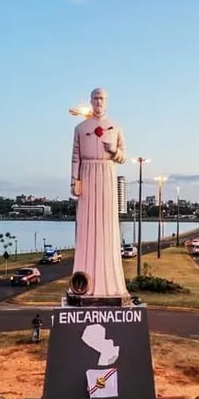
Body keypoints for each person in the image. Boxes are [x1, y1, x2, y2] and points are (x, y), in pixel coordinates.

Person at [70, 88, 130, 302]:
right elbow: (75, 156)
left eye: (102, 98)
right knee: (86, 223)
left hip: (106, 174)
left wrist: (113, 150)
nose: (98, 102)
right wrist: (74, 180)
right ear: (91, 101)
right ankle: (83, 279)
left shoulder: (116, 127)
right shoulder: (80, 128)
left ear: (107, 102)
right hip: (87, 175)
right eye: (95, 98)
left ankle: (109, 280)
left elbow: (124, 158)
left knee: (106, 222)